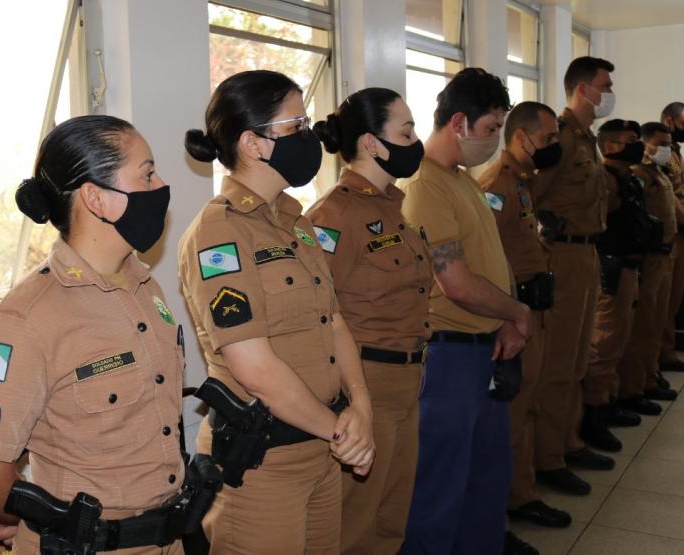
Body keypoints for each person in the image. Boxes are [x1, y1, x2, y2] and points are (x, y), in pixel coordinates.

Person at [180, 69, 375, 555]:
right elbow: (254, 367)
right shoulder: (218, 233)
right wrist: (340, 431)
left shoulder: (295, 220)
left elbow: (332, 321)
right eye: (297, 126)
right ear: (254, 142)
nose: (310, 138)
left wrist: (361, 407)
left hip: (322, 451)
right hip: (264, 463)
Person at [0, 115, 188, 554]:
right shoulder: (28, 317)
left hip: (168, 538)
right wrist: (35, 523)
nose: (161, 185)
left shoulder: (147, 287)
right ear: (96, 199)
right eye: (147, 173)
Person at [397, 68, 530, 555]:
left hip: (482, 352)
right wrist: (517, 312)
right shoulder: (424, 185)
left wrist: (506, 320)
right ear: (459, 122)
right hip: (448, 358)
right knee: (440, 492)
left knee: (484, 484)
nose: (496, 140)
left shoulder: (463, 182)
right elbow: (454, 282)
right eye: (492, 129)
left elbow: (490, 262)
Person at [305, 87, 432, 555]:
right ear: (373, 144)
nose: (415, 140)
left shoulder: (392, 209)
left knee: (391, 517)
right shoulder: (333, 217)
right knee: (356, 524)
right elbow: (317, 314)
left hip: (409, 380)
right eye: (406, 130)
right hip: (367, 383)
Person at [478, 102, 572, 537]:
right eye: (550, 138)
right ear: (521, 138)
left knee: (529, 405)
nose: (555, 145)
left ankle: (523, 494)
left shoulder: (521, 183)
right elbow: (487, 259)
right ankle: (501, 516)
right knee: (512, 417)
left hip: (532, 308)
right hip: (512, 314)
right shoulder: (495, 186)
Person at [532, 56, 616, 497]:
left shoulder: (588, 139)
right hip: (562, 258)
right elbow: (531, 194)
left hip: (587, 255)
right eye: (605, 84)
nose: (610, 91)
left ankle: (569, 441)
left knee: (580, 357)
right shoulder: (561, 138)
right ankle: (548, 458)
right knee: (560, 362)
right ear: (584, 89)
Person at [587, 120, 659, 431]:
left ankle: (610, 399)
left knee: (619, 342)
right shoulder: (605, 179)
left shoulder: (628, 177)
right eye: (631, 140)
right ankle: (594, 412)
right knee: (604, 344)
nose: (638, 145)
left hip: (631, 265)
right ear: (612, 146)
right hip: (612, 269)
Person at [614, 122, 679, 407]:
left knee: (656, 320)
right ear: (646, 144)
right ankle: (633, 387)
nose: (667, 149)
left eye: (669, 144)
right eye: (661, 144)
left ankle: (649, 377)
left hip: (666, 254)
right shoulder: (638, 175)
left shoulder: (658, 173)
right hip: (648, 258)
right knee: (642, 326)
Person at [658, 102, 684, 372]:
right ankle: (660, 355)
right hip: (671, 233)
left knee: (674, 298)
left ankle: (665, 353)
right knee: (664, 301)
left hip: (679, 232)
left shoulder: (675, 151)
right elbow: (668, 197)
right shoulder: (660, 153)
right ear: (669, 121)